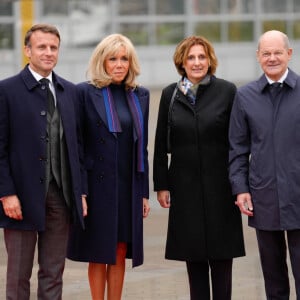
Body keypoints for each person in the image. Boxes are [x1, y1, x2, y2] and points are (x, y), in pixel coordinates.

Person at [153, 35, 245, 300]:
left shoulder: (227, 91)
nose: (196, 62)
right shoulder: (171, 94)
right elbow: (160, 142)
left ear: (210, 60)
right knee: (193, 260)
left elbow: (237, 143)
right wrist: (162, 185)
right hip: (184, 188)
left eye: (202, 57)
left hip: (221, 188)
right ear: (182, 61)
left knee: (221, 258)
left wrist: (240, 185)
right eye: (191, 57)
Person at [0, 23, 87, 300]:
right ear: (28, 50)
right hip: (21, 199)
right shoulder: (6, 91)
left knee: (53, 273)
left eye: (53, 47)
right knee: (18, 275)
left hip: (61, 196)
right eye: (41, 47)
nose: (48, 53)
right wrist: (6, 193)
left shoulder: (70, 92)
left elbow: (78, 147)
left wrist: (81, 191)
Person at [67, 33, 150, 300]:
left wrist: (144, 192)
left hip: (128, 186)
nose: (118, 64)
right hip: (97, 186)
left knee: (120, 251)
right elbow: (77, 145)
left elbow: (142, 147)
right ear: (102, 61)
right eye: (112, 58)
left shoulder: (140, 96)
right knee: (98, 252)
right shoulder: (84, 92)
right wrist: (79, 191)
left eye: (124, 58)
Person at [229, 30, 300, 299]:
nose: (272, 58)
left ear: (289, 54)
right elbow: (237, 149)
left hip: (298, 193)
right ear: (258, 56)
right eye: (266, 53)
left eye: (278, 52)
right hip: (264, 196)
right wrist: (241, 188)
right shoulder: (245, 96)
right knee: (273, 276)